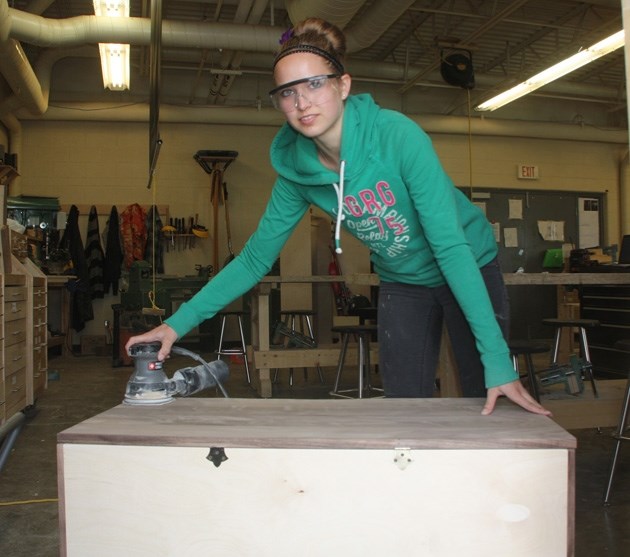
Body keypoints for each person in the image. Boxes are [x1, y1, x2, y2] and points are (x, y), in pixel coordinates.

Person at [126, 17, 550, 417]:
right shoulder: (296, 173)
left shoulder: (397, 136)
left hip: (466, 261)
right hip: (404, 279)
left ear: (343, 85)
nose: (302, 101)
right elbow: (255, 260)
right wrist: (174, 325)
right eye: (287, 92)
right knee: (404, 404)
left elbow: (448, 244)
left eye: (314, 84)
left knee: (485, 389)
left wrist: (496, 359)